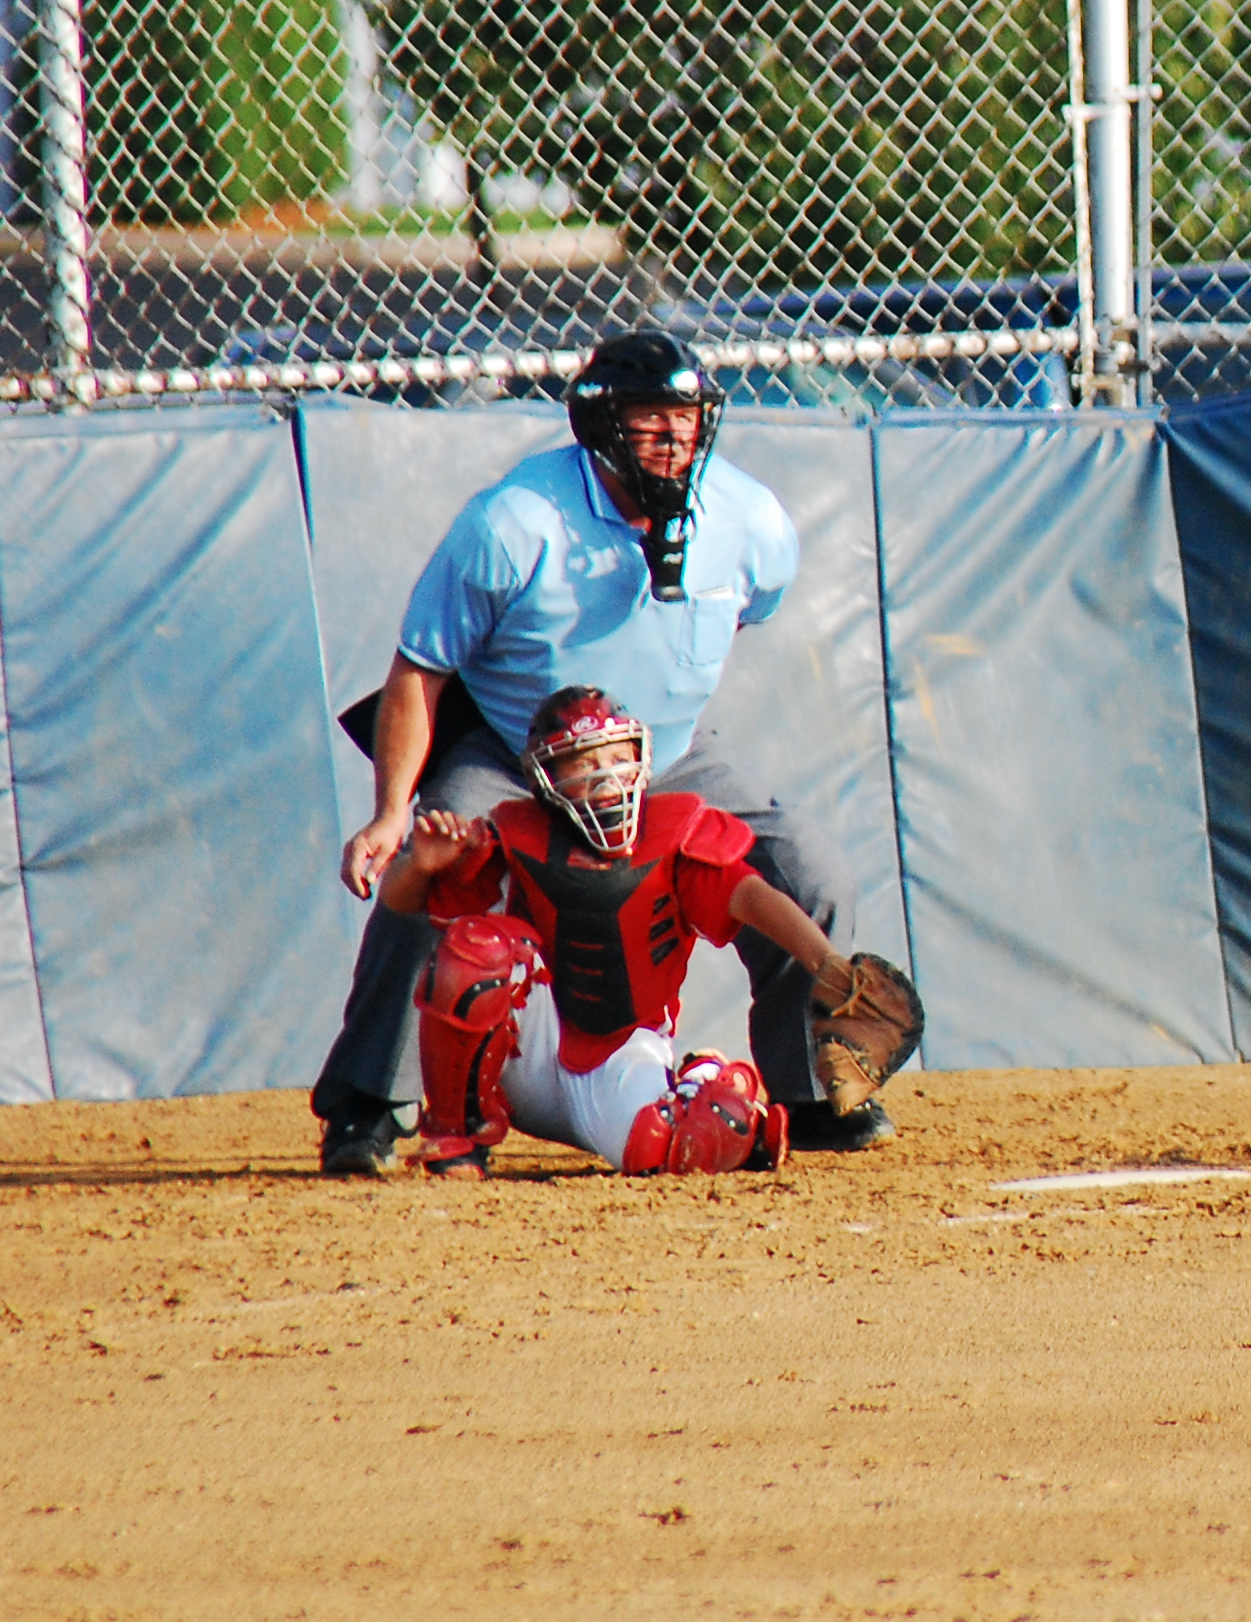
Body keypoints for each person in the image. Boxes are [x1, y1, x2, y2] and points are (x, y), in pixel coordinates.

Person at [313, 330, 893, 1174]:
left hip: (663, 756)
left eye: (687, 418)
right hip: (518, 754)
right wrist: (392, 810)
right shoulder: (513, 522)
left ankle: (808, 1093)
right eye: (649, 418)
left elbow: (743, 612)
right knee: (427, 867)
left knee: (810, 872)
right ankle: (369, 1103)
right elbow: (420, 668)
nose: (674, 435)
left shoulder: (752, 522)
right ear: (599, 425)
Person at [382, 686, 859, 1177]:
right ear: (547, 777)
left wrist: (828, 964)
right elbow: (402, 902)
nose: (606, 777)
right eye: (584, 763)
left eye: (617, 758)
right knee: (476, 951)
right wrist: (419, 867)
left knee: (675, 1147)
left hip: (623, 1055)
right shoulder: (514, 832)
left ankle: (701, 1082)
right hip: (531, 1053)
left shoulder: (674, 832)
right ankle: (457, 1133)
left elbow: (753, 897)